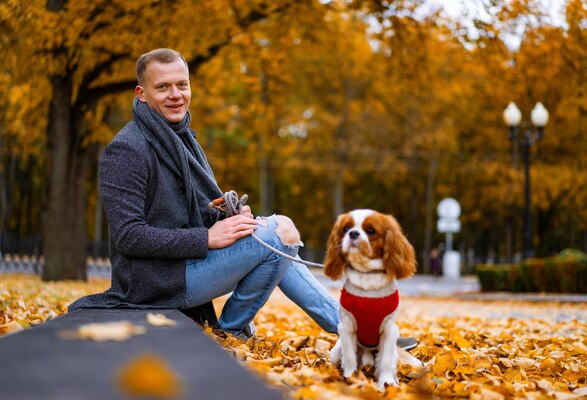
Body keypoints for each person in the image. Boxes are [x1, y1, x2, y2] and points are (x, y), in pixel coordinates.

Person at [69, 48, 416, 349]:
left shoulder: (182, 139)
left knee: (277, 233)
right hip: (156, 284)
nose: (176, 95)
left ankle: (349, 330)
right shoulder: (127, 150)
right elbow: (129, 236)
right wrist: (206, 237)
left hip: (186, 266)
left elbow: (188, 214)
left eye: (182, 85)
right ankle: (233, 331)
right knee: (279, 234)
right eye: (163, 87)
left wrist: (226, 220)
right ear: (141, 93)